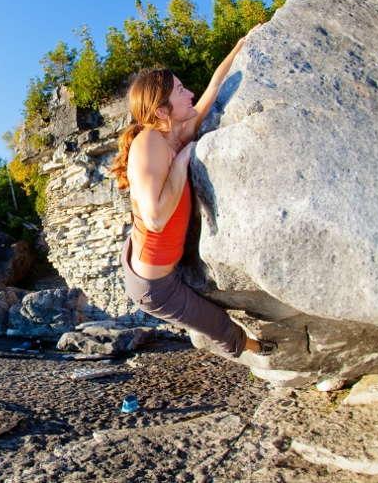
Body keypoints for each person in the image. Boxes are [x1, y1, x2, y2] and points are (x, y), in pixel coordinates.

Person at [109, 24, 276, 358]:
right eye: (181, 90)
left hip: (152, 257)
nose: (189, 94)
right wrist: (183, 159)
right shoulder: (149, 141)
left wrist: (241, 44)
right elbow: (155, 219)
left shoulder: (177, 129)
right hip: (155, 287)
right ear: (160, 111)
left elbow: (215, 85)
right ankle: (267, 351)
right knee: (218, 325)